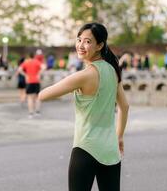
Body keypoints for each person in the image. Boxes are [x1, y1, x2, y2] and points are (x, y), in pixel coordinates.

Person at [38, 22, 129, 191]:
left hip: (85, 148)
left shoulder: (83, 76)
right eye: (79, 39)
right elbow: (125, 106)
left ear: (99, 45)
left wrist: (70, 80)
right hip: (110, 150)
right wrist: (120, 136)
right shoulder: (113, 70)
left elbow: (43, 95)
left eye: (87, 41)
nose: (81, 45)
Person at [18, 52, 44, 118]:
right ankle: (37, 112)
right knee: (37, 97)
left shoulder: (26, 62)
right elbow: (43, 67)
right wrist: (39, 74)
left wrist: (26, 75)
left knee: (29, 98)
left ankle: (31, 113)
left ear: (29, 56)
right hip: (36, 81)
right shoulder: (37, 61)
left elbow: (19, 69)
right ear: (34, 56)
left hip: (29, 81)